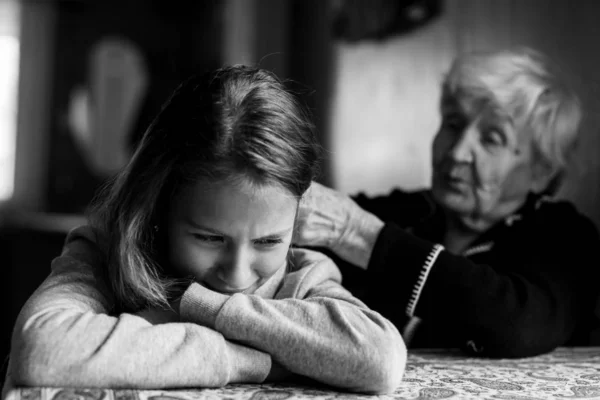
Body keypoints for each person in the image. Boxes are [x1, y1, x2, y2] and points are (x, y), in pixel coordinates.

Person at [4, 66, 406, 393]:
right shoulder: (104, 253)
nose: (237, 273)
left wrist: (199, 307)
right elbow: (42, 349)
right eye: (210, 238)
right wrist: (252, 359)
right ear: (159, 206)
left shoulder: (303, 276)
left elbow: (380, 359)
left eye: (269, 241)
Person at [294, 47, 600, 358]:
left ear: (541, 169)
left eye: (491, 138)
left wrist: (357, 234)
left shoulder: (565, 236)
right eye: (454, 124)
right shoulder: (415, 210)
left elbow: (519, 325)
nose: (457, 153)